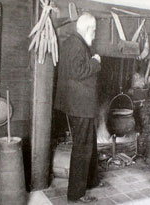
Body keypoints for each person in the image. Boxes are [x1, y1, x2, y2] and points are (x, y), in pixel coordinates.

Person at [54, 12, 101, 204]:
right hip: (79, 106)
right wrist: (96, 62)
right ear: (88, 28)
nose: (95, 35)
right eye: (94, 30)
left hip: (81, 106)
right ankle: (76, 194)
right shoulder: (76, 44)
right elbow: (79, 71)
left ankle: (90, 182)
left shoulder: (73, 42)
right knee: (82, 148)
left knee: (88, 145)